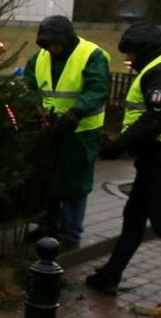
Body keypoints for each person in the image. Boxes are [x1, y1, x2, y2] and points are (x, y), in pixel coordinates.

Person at [86, 22, 161, 315]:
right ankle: (110, 275)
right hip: (160, 155)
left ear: (144, 50)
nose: (128, 61)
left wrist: (117, 146)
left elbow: (157, 118)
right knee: (135, 216)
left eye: (130, 54)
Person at [23, 15, 110, 248]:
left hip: (81, 130)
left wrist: (77, 112)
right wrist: (36, 107)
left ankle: (70, 233)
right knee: (47, 177)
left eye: (56, 44)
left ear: (67, 40)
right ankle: (47, 226)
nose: (52, 49)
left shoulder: (92, 56)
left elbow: (97, 88)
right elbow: (28, 84)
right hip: (51, 128)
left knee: (74, 182)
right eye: (48, 45)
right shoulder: (41, 57)